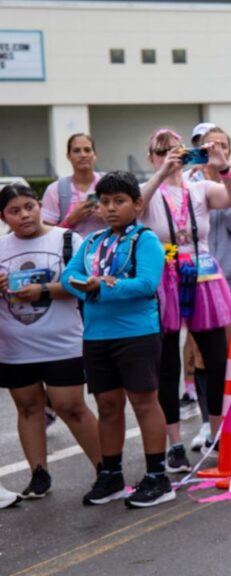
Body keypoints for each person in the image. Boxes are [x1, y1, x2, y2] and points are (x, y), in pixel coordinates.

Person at [62, 171, 173, 508]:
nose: (111, 208)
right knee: (108, 405)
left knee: (144, 401)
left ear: (137, 204)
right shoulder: (93, 242)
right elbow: (69, 278)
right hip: (97, 335)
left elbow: (146, 284)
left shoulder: (145, 240)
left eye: (119, 201)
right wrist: (89, 284)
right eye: (105, 201)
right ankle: (110, 475)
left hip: (136, 334)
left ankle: (157, 476)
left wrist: (101, 287)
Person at [139, 128, 231, 474]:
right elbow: (136, 205)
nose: (171, 155)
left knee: (217, 360)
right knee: (166, 363)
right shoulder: (149, 191)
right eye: (161, 150)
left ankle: (216, 434)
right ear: (151, 156)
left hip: (203, 277)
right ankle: (175, 444)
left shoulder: (199, 189)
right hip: (164, 279)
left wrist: (222, 167)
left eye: (176, 150)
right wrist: (161, 173)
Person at [0, 184, 101, 499]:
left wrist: (43, 290)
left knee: (71, 407)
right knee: (29, 409)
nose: (24, 215)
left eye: (28, 206)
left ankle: (107, 469)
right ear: (3, 217)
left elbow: (88, 284)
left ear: (39, 205)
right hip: (15, 347)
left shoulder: (68, 239)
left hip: (64, 343)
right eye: (14, 211)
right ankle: (38, 475)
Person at [185, 125, 231, 450]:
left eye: (223, 146)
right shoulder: (186, 183)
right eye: (209, 146)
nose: (217, 151)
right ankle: (207, 422)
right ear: (198, 150)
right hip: (196, 281)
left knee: (230, 354)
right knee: (201, 355)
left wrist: (225, 189)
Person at [41, 133, 106, 237]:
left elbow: (129, 221)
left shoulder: (110, 184)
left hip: (108, 250)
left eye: (87, 150)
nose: (83, 155)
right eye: (76, 151)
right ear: (68, 156)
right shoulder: (55, 190)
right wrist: (71, 219)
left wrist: (108, 214)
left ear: (95, 155)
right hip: (71, 251)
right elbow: (47, 235)